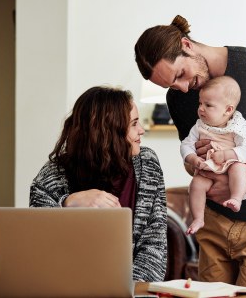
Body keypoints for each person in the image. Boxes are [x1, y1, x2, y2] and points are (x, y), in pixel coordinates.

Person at [134, 15, 246, 292]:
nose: (179, 88)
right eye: (170, 86)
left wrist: (241, 183)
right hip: (213, 223)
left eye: (179, 75)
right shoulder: (179, 98)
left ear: (187, 45)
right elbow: (191, 159)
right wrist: (197, 163)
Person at [29, 86, 167, 282]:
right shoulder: (53, 173)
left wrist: (127, 291)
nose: (141, 130)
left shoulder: (147, 164)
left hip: (130, 291)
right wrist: (67, 203)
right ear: (108, 131)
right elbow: (38, 245)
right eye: (134, 123)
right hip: (65, 287)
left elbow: (154, 247)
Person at [181, 76, 246, 235]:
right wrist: (193, 159)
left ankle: (236, 197)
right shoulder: (199, 126)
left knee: (238, 169)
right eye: (200, 103)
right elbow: (186, 144)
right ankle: (198, 218)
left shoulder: (236, 126)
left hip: (234, 160)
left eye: (208, 105)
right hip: (211, 166)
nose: (201, 108)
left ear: (228, 110)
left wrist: (227, 155)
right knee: (196, 184)